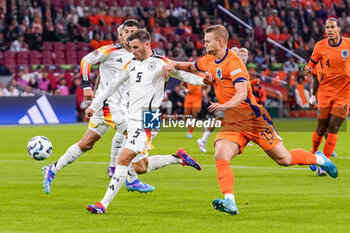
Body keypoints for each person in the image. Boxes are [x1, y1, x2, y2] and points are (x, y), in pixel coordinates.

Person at [163, 24, 338, 216]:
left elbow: (242, 92)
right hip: (233, 122)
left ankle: (318, 159)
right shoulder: (209, 60)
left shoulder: (234, 63)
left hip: (253, 119)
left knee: (284, 159)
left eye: (207, 41)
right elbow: (191, 66)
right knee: (221, 154)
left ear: (219, 42)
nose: (204, 44)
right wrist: (173, 64)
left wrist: (224, 106)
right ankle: (230, 201)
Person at [85, 29, 205, 214]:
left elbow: (187, 77)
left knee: (123, 157)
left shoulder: (161, 63)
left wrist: (209, 80)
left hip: (148, 118)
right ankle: (178, 157)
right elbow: (111, 86)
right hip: (131, 119)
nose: (132, 51)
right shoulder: (131, 65)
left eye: (135, 47)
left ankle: (103, 204)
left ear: (147, 44)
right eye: (130, 47)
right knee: (140, 167)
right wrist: (95, 105)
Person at [42, 20, 156, 195]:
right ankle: (132, 179)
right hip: (109, 107)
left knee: (86, 144)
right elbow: (86, 60)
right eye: (126, 31)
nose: (129, 34)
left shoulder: (138, 56)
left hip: (118, 107)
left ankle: (52, 169)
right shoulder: (110, 51)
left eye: (133, 31)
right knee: (135, 136)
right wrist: (86, 86)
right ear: (120, 35)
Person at [304, 18, 349, 175]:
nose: (329, 30)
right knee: (321, 129)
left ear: (339, 29)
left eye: (332, 27)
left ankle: (325, 163)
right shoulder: (320, 46)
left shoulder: (348, 45)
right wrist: (308, 69)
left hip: (344, 94)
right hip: (325, 93)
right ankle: (313, 153)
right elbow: (311, 65)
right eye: (327, 28)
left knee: (333, 127)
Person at [197, 47, 250, 153]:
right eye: (239, 54)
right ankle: (203, 139)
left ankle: (241, 139)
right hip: (228, 100)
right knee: (220, 120)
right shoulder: (230, 65)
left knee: (235, 120)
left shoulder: (240, 66)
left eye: (243, 55)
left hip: (235, 101)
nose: (240, 56)